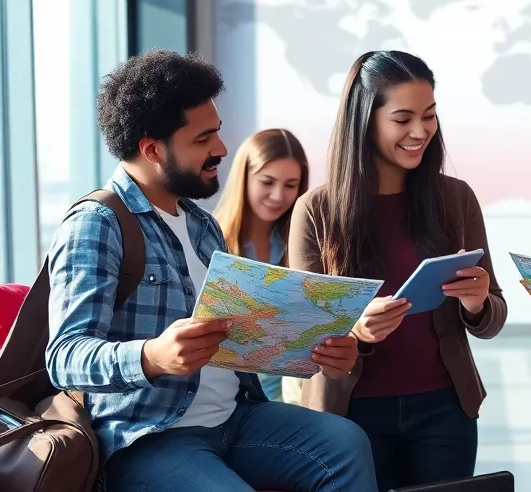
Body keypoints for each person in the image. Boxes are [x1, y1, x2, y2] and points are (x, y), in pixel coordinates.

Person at [44, 49, 375, 492]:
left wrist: (316, 346)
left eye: (216, 134)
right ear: (151, 149)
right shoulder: (97, 224)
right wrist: (152, 357)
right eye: (203, 140)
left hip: (237, 419)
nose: (221, 149)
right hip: (152, 437)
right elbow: (63, 356)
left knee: (345, 443)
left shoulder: (202, 224)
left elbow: (243, 339)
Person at [289, 50, 508, 492]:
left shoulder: (456, 199)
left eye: (429, 116)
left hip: (446, 409)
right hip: (351, 415)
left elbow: (493, 318)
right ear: (365, 120)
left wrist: (477, 301)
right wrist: (357, 333)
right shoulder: (316, 210)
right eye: (403, 118)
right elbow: (302, 340)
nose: (420, 131)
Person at [213, 127, 310, 400]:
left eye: (291, 185)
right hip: (231, 397)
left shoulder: (301, 244)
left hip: (295, 396)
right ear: (244, 178)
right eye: (267, 182)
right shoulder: (212, 241)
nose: (279, 195)